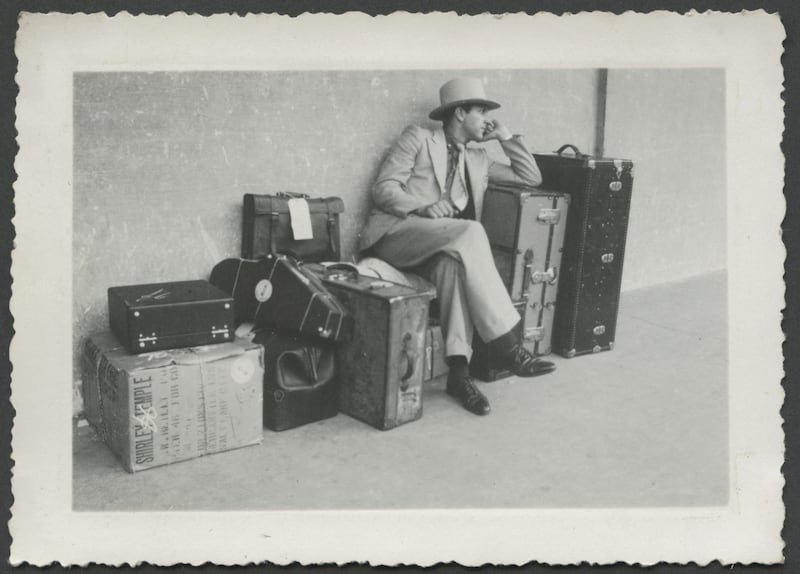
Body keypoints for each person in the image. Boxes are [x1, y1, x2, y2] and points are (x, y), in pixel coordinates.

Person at [358, 77, 556, 416]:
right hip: (397, 237)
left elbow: (530, 178)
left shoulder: (479, 160)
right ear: (460, 113)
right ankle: (510, 346)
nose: (486, 119)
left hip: (440, 250)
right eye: (481, 111)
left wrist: (505, 138)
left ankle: (459, 375)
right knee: (471, 231)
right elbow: (383, 188)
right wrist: (420, 207)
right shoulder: (418, 138)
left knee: (454, 267)